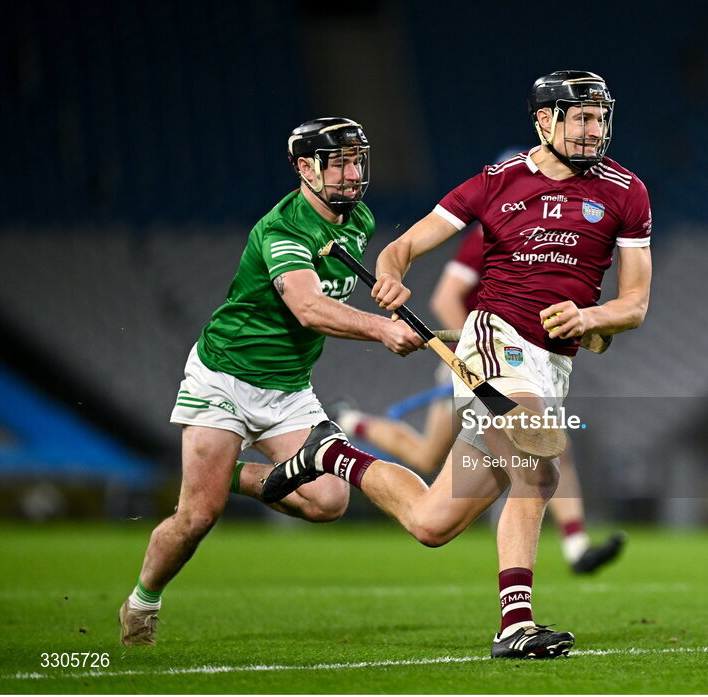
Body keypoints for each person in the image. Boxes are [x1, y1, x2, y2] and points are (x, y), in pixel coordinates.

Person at [264, 70, 652, 659]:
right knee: (539, 466)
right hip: (496, 342)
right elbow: (402, 248)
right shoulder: (496, 183)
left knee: (432, 522)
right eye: (582, 118)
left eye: (601, 117)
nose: (595, 130)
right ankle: (515, 625)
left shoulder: (628, 192)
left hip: (553, 364)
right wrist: (390, 279)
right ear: (544, 122)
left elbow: (635, 304)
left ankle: (329, 452)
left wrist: (591, 318)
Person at [118, 117, 425, 647]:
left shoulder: (359, 220)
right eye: (341, 163)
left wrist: (385, 300)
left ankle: (225, 472)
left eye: (358, 161)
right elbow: (306, 306)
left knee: (329, 502)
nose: (354, 174)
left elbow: (329, 291)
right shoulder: (283, 228)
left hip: (288, 388)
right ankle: (142, 603)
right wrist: (380, 329)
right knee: (198, 516)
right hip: (225, 377)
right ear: (305, 168)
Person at [332, 217, 626, 573]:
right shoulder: (492, 229)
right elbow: (445, 298)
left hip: (516, 363)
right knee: (429, 457)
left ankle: (576, 546)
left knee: (545, 448)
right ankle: (347, 423)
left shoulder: (551, 239)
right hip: (475, 359)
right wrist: (468, 355)